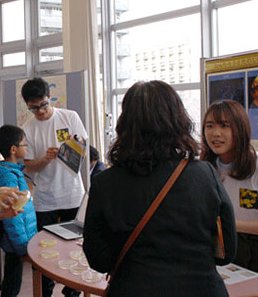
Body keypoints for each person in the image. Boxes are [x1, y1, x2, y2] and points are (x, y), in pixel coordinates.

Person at [83, 81, 236, 296]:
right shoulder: (205, 174)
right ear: (178, 119)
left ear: (124, 123)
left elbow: (99, 260)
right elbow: (227, 251)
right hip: (202, 289)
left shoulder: (104, 183)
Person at [21, 77, 87, 297]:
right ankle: (45, 292)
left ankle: (73, 291)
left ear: (50, 99)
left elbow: (84, 151)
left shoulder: (69, 117)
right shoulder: (27, 128)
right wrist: (46, 159)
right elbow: (29, 166)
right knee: (44, 251)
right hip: (45, 199)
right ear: (28, 106)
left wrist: (70, 149)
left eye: (43, 105)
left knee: (76, 248)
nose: (40, 112)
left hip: (72, 194)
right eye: (34, 108)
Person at [201, 99, 258, 272]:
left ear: (240, 129)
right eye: (209, 126)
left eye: (224, 126)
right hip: (215, 250)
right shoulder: (203, 169)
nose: (215, 134)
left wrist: (230, 224)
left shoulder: (255, 169)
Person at [0, 124, 37, 297]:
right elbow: (12, 217)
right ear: (14, 149)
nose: (27, 147)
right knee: (12, 284)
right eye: (24, 144)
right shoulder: (8, 177)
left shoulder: (12, 172)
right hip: (16, 242)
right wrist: (22, 247)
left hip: (17, 241)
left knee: (12, 281)